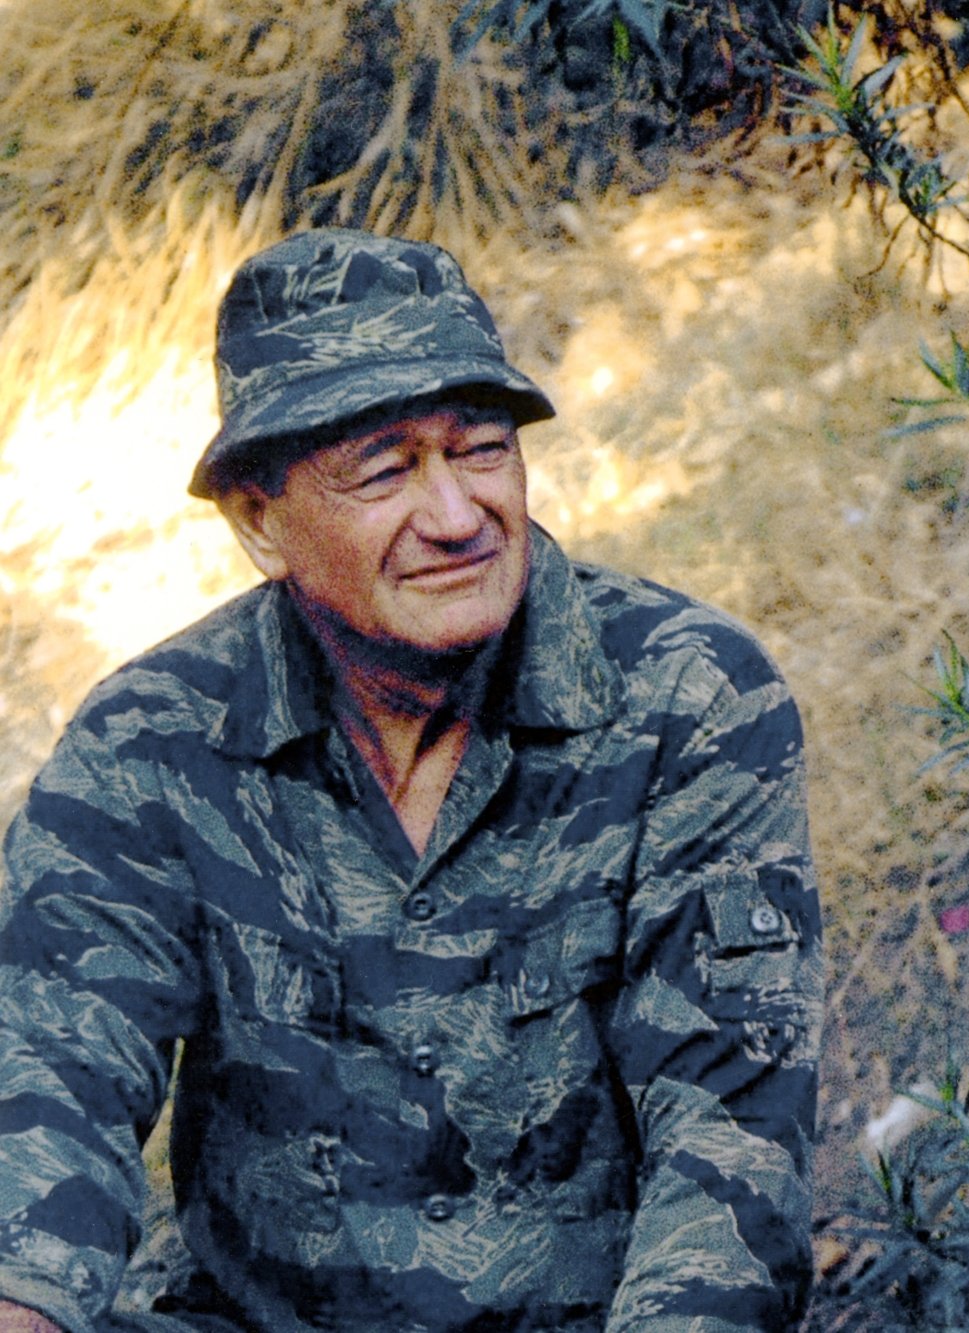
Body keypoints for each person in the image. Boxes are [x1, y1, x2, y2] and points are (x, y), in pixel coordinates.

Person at [0, 229, 822, 1331]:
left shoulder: (687, 696)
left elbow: (728, 1145)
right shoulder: (154, 737)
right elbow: (48, 1082)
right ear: (259, 519)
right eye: (383, 470)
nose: (453, 515)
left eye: (481, 450)